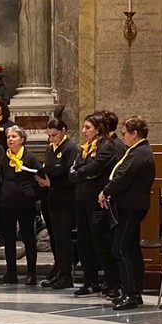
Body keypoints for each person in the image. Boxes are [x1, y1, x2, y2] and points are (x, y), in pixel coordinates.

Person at [99, 116, 156, 311]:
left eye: (124, 133)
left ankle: (131, 293)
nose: (122, 137)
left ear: (134, 134)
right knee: (130, 249)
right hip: (130, 206)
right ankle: (133, 292)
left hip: (131, 206)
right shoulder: (138, 151)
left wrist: (106, 191)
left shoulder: (139, 153)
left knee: (121, 249)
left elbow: (123, 177)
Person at [69, 112, 120, 298]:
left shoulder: (107, 146)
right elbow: (74, 169)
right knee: (83, 242)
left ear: (98, 129)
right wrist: (82, 173)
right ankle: (90, 281)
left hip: (96, 202)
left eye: (88, 128)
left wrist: (82, 173)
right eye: (83, 127)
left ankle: (113, 282)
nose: (83, 131)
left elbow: (95, 168)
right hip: (82, 199)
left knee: (101, 243)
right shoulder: (85, 147)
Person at [35, 116, 80, 289]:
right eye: (49, 135)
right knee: (56, 238)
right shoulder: (50, 149)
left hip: (66, 199)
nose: (51, 138)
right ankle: (59, 270)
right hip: (53, 198)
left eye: (54, 135)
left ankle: (66, 274)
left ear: (63, 131)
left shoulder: (70, 149)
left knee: (64, 237)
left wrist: (51, 182)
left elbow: (71, 175)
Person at [0, 125, 41, 285]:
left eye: (14, 137)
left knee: (28, 238)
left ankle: (31, 273)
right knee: (9, 239)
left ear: (22, 140)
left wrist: (32, 195)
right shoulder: (4, 158)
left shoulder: (30, 158)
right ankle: (11, 272)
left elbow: (38, 178)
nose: (10, 139)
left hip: (25, 202)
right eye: (9, 137)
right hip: (7, 202)